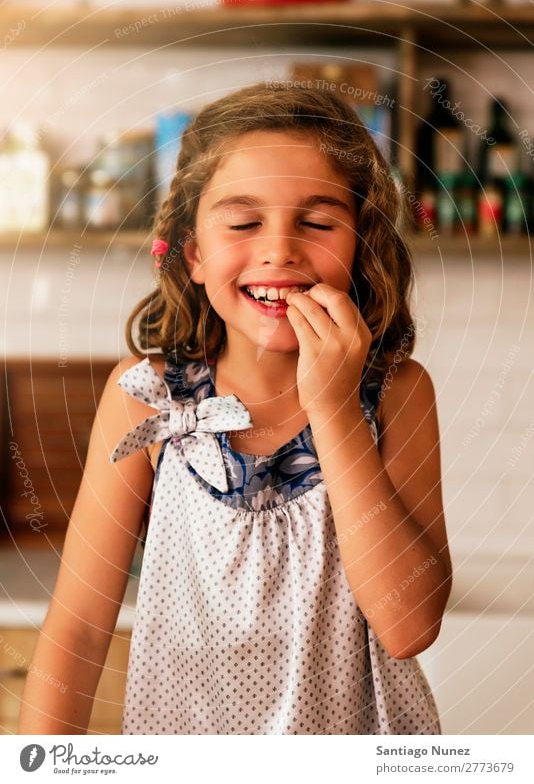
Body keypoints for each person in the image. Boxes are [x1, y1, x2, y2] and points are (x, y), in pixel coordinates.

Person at [19, 83, 452, 736]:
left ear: (360, 246)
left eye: (317, 220)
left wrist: (332, 408)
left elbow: (410, 624)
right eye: (244, 222)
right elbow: (78, 627)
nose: (279, 250)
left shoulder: (396, 393)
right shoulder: (145, 397)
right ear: (194, 253)